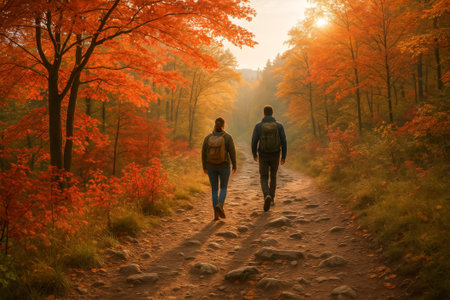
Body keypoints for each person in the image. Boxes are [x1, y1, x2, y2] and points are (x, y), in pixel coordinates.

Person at [251, 105, 287, 212]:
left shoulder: (258, 126)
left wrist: (254, 154)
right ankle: (272, 198)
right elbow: (284, 141)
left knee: (263, 177)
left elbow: (254, 141)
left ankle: (266, 195)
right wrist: (283, 156)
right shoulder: (279, 126)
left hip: (263, 155)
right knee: (274, 176)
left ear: (264, 113)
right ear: (272, 113)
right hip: (275, 154)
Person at [202, 117, 237, 220]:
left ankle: (216, 215)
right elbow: (232, 152)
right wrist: (234, 165)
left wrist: (204, 166)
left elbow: (203, 153)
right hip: (224, 166)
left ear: (215, 125)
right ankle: (220, 205)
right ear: (223, 125)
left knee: (214, 190)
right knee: (223, 188)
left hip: (211, 166)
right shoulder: (228, 137)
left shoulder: (208, 138)